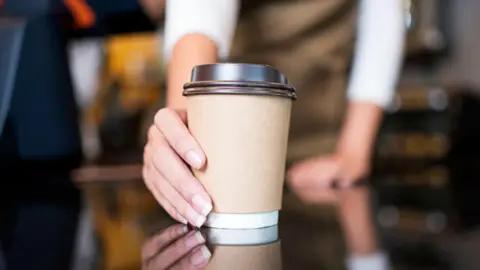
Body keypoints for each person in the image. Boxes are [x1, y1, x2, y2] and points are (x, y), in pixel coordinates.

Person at [143, 0, 405, 269]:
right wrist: (184, 125)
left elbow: (382, 15)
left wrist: (353, 151)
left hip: (320, 151)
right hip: (221, 149)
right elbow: (202, 12)